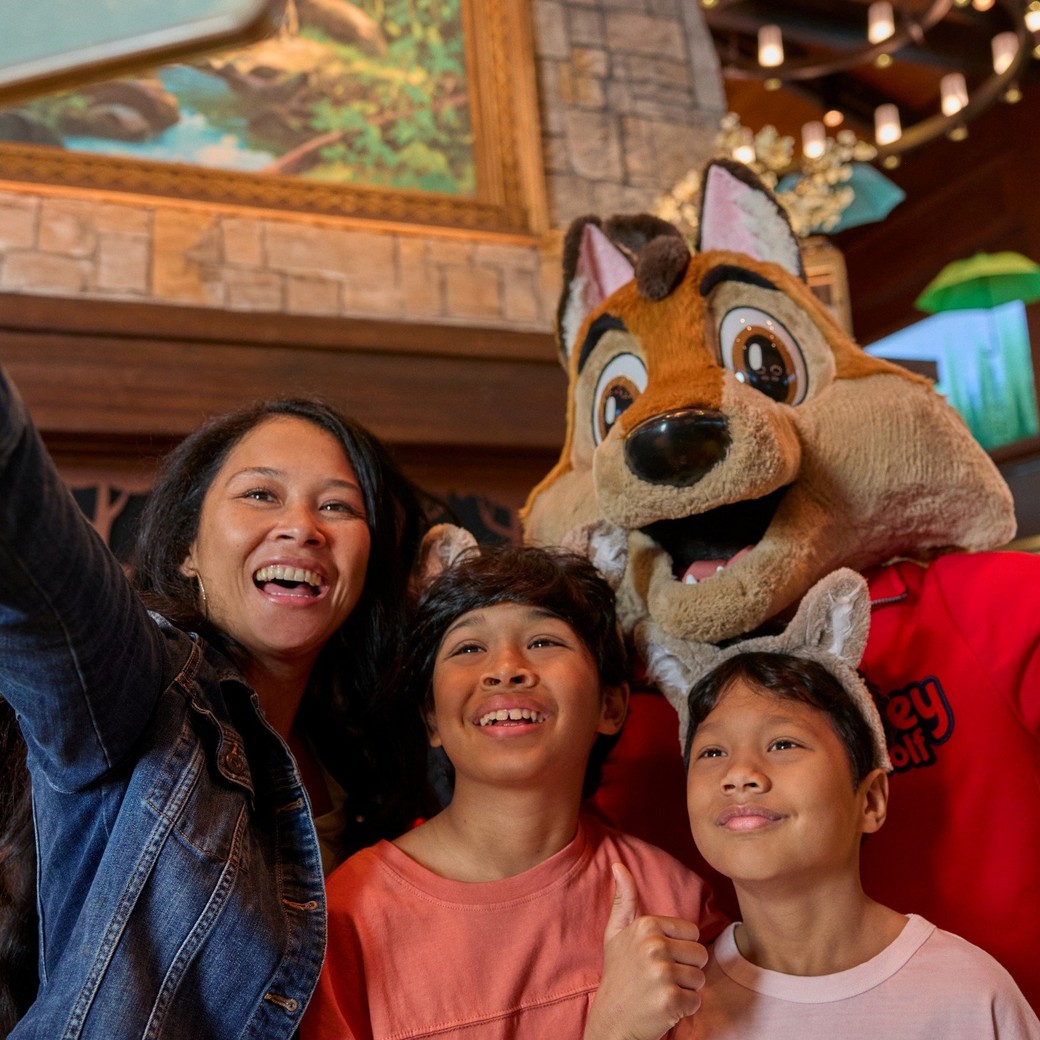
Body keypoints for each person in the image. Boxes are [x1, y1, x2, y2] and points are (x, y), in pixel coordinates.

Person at [0, 365, 432, 1039]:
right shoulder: (143, 690)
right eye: (261, 494)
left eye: (339, 506)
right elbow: (39, 563)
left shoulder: (377, 765)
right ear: (189, 551)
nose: (302, 528)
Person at [301, 544, 725, 1040]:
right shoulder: (348, 917)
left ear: (610, 706)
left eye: (544, 641)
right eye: (468, 648)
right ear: (431, 718)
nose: (505, 668)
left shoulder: (673, 899)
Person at [672, 649, 1040, 1038]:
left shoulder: (971, 994)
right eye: (712, 752)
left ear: (870, 801)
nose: (739, 774)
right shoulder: (675, 1000)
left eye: (782, 744)